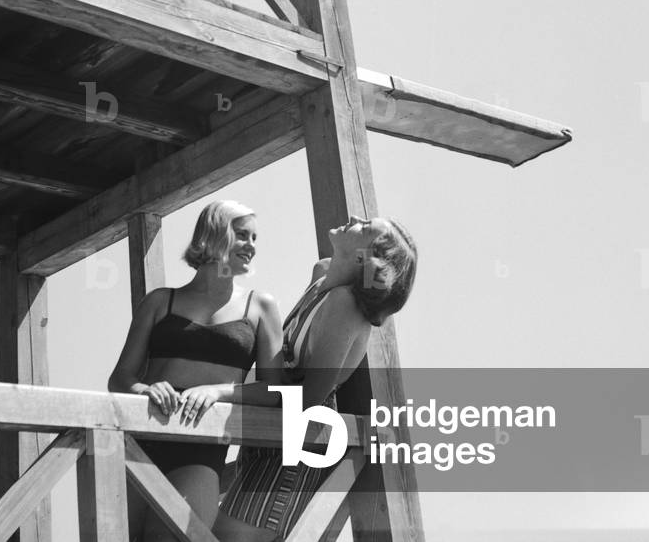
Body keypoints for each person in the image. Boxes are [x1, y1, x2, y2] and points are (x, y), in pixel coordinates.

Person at [206, 215, 419, 542]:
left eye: (365, 228)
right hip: (265, 438)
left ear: (363, 258)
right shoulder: (322, 277)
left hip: (295, 449)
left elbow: (308, 402)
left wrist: (224, 392)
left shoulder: (344, 304)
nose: (354, 218)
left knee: (217, 537)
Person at [107, 199, 282, 542]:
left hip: (202, 446)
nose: (251, 246)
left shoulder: (261, 306)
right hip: (141, 440)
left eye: (255, 238)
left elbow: (274, 392)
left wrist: (218, 392)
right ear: (214, 233)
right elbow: (120, 378)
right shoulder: (159, 301)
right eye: (242, 235)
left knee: (169, 536)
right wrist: (146, 389)